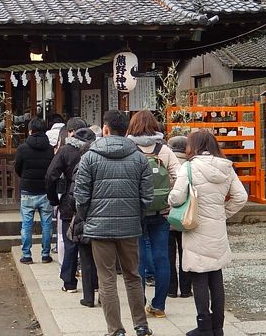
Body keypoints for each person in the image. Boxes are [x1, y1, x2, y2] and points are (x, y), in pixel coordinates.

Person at [75, 110, 154, 336]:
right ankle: (141, 325)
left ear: (105, 129)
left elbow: (81, 195)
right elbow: (147, 196)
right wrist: (136, 215)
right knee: (132, 275)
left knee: (107, 277)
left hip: (99, 227)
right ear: (126, 130)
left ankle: (115, 329)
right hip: (130, 226)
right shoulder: (139, 157)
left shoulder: (89, 157)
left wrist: (87, 216)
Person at [168, 129, 247, 336]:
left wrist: (171, 199)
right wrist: (223, 213)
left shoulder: (189, 168)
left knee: (199, 277)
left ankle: (203, 326)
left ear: (194, 146)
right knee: (216, 276)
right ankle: (217, 327)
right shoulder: (226, 167)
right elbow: (241, 197)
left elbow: (176, 198)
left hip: (196, 227)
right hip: (217, 228)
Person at [126, 110, 181, 319]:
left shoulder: (128, 148)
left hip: (135, 211)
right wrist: (168, 193)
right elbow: (179, 174)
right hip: (161, 211)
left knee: (137, 259)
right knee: (162, 258)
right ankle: (159, 306)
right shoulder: (164, 149)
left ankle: (139, 304)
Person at [46, 118, 90, 292]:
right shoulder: (95, 149)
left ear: (71, 132)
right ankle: (92, 283)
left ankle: (69, 282)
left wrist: (53, 199)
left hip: (69, 200)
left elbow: (50, 175)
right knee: (89, 243)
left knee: (70, 240)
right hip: (91, 201)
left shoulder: (65, 150)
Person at [62, 128, 99, 308]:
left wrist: (76, 213)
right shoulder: (102, 163)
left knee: (85, 259)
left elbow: (74, 195)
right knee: (102, 260)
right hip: (102, 218)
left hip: (84, 218)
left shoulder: (82, 166)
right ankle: (101, 292)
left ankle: (88, 297)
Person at [14, 117, 55, 264]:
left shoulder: (22, 148)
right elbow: (53, 171)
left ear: (30, 131)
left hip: (27, 191)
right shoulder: (51, 149)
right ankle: (45, 255)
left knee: (26, 224)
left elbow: (17, 168)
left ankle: (26, 255)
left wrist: (25, 177)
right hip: (45, 191)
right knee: (47, 224)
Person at [166, 135, 192, 298]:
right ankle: (186, 289)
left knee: (168, 254)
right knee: (186, 253)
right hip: (187, 217)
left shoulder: (166, 163)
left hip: (167, 215)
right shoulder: (191, 166)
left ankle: (171, 289)